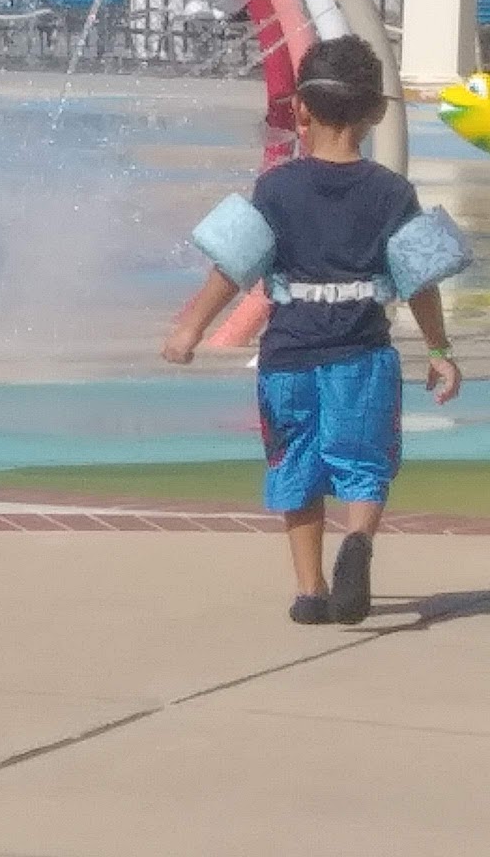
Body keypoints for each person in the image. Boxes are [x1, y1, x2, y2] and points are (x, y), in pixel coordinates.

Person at [164, 35, 464, 626]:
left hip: (289, 359)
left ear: (300, 108)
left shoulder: (277, 187)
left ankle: (309, 590)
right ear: (375, 112)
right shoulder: (392, 192)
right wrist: (438, 349)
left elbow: (233, 266)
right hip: (363, 357)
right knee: (364, 461)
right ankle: (359, 540)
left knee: (295, 464)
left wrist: (190, 328)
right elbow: (420, 277)